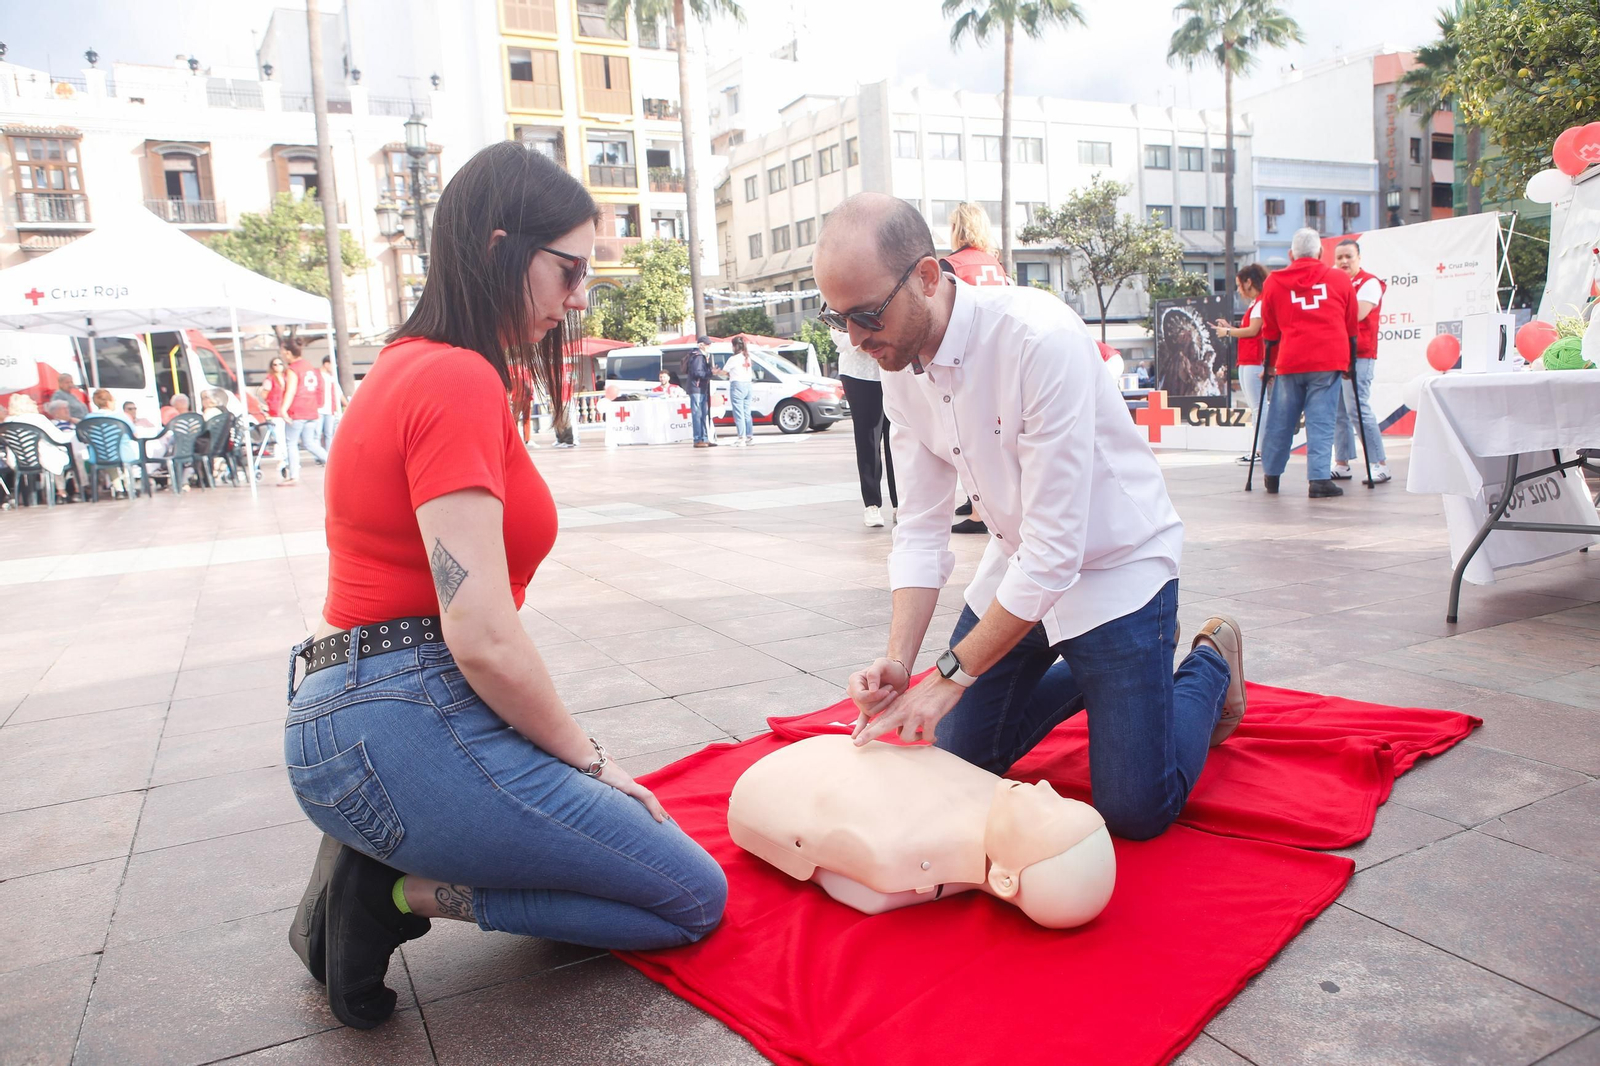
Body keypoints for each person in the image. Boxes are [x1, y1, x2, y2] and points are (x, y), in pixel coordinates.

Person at [283, 142, 725, 1032]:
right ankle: (391, 895)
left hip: (355, 707)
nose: (578, 297)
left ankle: (372, 865)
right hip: (397, 716)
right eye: (568, 269)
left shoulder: (408, 361)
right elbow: (478, 630)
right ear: (499, 247)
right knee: (689, 896)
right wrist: (595, 765)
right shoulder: (454, 376)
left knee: (632, 861)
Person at [815, 192, 1246, 843]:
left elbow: (1058, 552)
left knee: (1136, 810)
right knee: (959, 760)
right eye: (839, 318)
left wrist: (951, 675)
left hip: (1118, 565)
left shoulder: (1037, 338)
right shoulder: (897, 360)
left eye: (867, 314)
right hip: (1021, 567)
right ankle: (1098, 671)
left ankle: (1209, 657)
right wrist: (902, 665)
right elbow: (923, 529)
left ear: (928, 276)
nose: (855, 339)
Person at [1257, 227, 1358, 498]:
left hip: (1291, 358)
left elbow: (1270, 329)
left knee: (1281, 418)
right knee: (1321, 420)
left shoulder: (1274, 282)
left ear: (1291, 254)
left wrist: (1269, 365)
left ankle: (1272, 474)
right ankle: (1318, 479)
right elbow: (1350, 323)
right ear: (1321, 252)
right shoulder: (1339, 279)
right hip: (1328, 358)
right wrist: (1351, 362)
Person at [943, 203, 1011, 536]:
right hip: (999, 353)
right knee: (993, 433)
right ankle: (978, 503)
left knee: (968, 434)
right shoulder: (994, 265)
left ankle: (980, 512)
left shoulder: (950, 265)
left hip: (967, 355)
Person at [1331, 239, 1391, 483]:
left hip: (1360, 355)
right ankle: (1342, 463)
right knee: (1338, 412)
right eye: (1339, 258)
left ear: (1359, 258)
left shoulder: (1369, 283)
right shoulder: (1335, 283)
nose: (1344, 261)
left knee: (1358, 409)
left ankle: (1380, 464)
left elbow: (1357, 314)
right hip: (1336, 355)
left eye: (1349, 257)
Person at [835, 327, 898, 527]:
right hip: (859, 374)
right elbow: (841, 338)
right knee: (868, 438)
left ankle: (901, 504)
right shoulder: (840, 300)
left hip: (895, 371)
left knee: (898, 438)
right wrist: (877, 342)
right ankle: (872, 505)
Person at [1215, 263, 1270, 465]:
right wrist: (1230, 328)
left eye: (1240, 285)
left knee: (1259, 407)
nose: (1239, 290)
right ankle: (1259, 449)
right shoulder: (1256, 303)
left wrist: (1229, 332)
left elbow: (1253, 330)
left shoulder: (1261, 302)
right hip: (1249, 359)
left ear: (1249, 282)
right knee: (1257, 407)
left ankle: (1261, 450)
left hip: (1255, 360)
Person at [283, 339, 330, 484]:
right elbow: (320, 388)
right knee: (310, 443)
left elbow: (291, 391)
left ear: (289, 353)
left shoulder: (293, 369)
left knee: (291, 443)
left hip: (298, 410)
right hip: (312, 410)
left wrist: (283, 409)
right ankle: (332, 463)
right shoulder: (310, 367)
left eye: (284, 353)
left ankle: (293, 475)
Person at [257, 355, 292, 482]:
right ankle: (283, 459)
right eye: (275, 365)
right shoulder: (270, 379)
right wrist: (270, 404)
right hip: (275, 410)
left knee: (285, 436)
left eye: (280, 364)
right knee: (279, 436)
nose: (278, 367)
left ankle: (285, 459)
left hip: (285, 409)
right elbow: (264, 394)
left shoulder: (286, 377)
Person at [682, 335, 714, 448]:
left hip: (700, 388)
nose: (709, 346)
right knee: (698, 414)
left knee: (702, 414)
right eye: (707, 344)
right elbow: (697, 373)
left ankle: (704, 438)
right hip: (697, 388)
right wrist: (711, 373)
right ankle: (698, 439)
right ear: (701, 345)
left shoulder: (701, 356)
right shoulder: (698, 357)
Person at [725, 336, 756, 446]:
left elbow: (724, 371)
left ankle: (741, 438)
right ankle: (749, 436)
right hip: (748, 384)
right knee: (747, 412)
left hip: (737, 385)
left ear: (734, 346)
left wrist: (715, 371)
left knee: (738, 412)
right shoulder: (747, 357)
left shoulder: (733, 358)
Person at [319, 356, 346, 452]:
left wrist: (346, 405)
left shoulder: (332, 378)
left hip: (330, 410)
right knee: (317, 435)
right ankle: (320, 456)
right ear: (327, 364)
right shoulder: (318, 376)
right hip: (319, 409)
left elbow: (339, 393)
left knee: (329, 434)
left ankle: (327, 455)